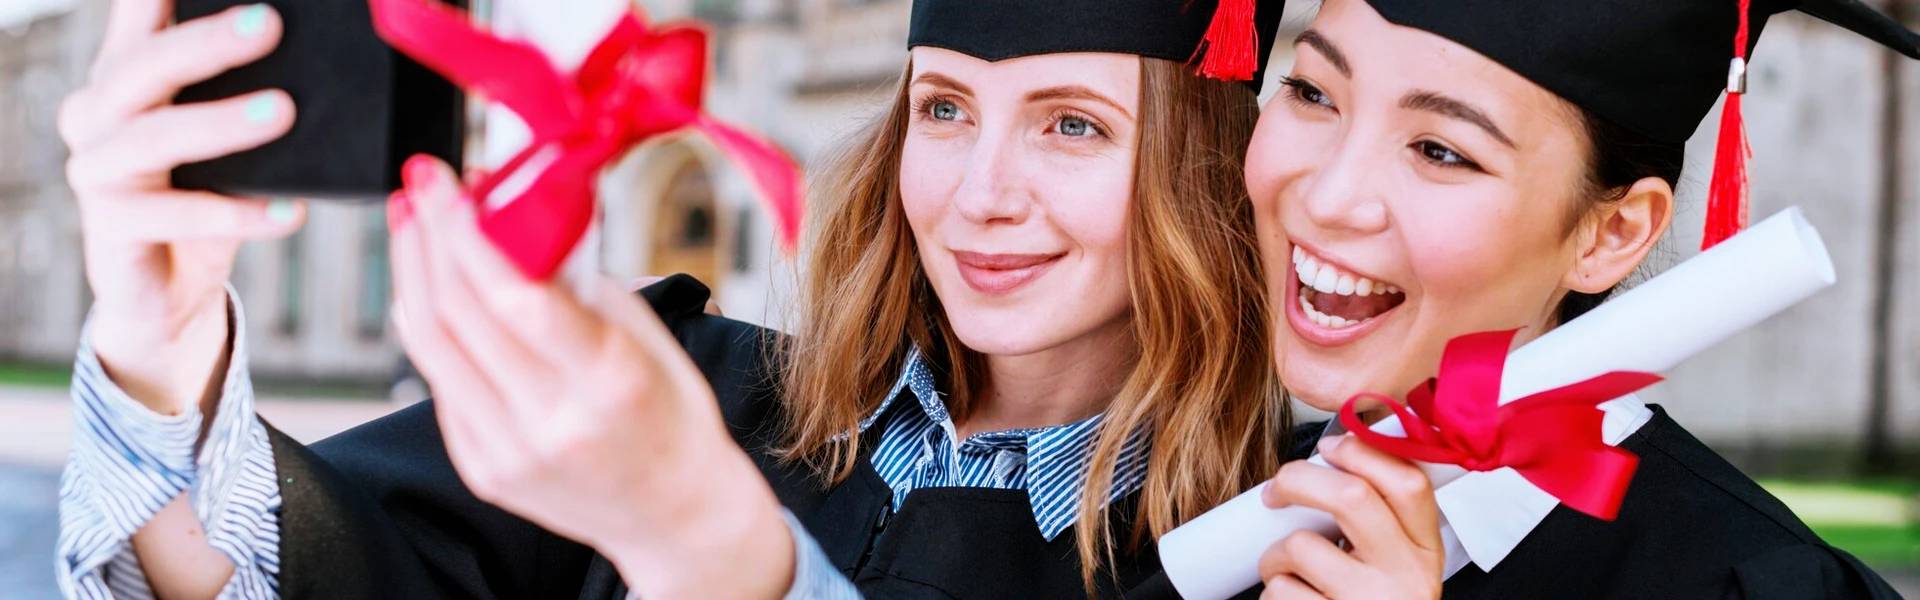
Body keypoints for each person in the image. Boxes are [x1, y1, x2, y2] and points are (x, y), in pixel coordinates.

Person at [53, 0, 1298, 598]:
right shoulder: (680, 384)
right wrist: (159, 341)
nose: (979, 195)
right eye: (946, 108)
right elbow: (313, 574)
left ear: (1200, 171)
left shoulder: (1269, 551)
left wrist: (701, 542)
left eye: (1073, 125)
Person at [1228, 0, 1917, 597]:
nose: (1327, 198)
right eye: (1312, 92)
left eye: (1440, 151)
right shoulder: (1211, 494)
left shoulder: (1755, 584)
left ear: (1611, 235)